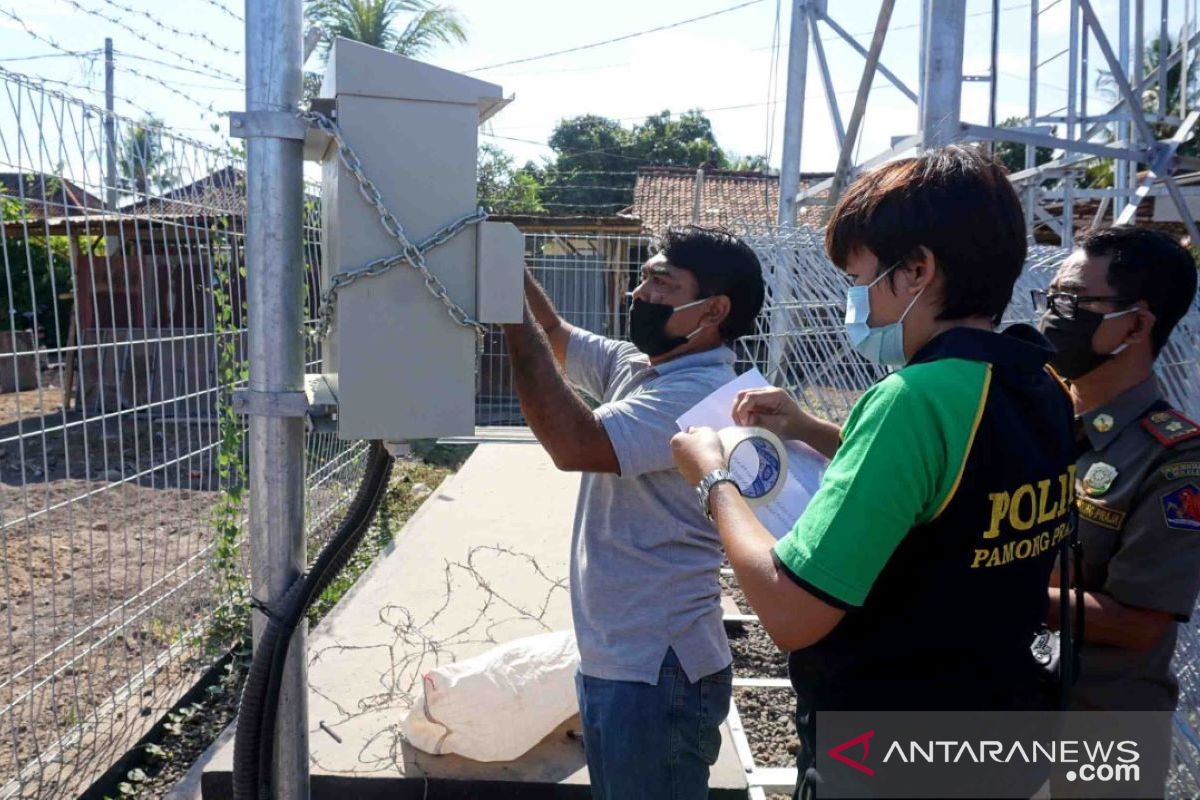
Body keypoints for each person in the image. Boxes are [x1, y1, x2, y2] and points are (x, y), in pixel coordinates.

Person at [671, 146, 1077, 798]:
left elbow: (791, 612)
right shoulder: (1037, 382)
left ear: (917, 270)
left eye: (858, 279)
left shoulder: (910, 399)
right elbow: (951, 496)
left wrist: (713, 479)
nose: (853, 300)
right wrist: (808, 430)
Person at [500, 226, 765, 799]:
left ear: (713, 310)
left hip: (657, 669)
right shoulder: (643, 366)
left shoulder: (698, 394)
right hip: (624, 657)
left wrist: (506, 314)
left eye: (661, 284)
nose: (639, 293)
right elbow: (554, 334)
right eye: (643, 277)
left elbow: (576, 444)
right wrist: (500, 260)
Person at [1037, 225, 1200, 798]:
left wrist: (990, 587)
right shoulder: (1037, 419)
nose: (1054, 315)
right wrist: (808, 431)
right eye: (1051, 297)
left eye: (1076, 302)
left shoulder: (1177, 460)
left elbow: (1137, 622)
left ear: (1135, 325)